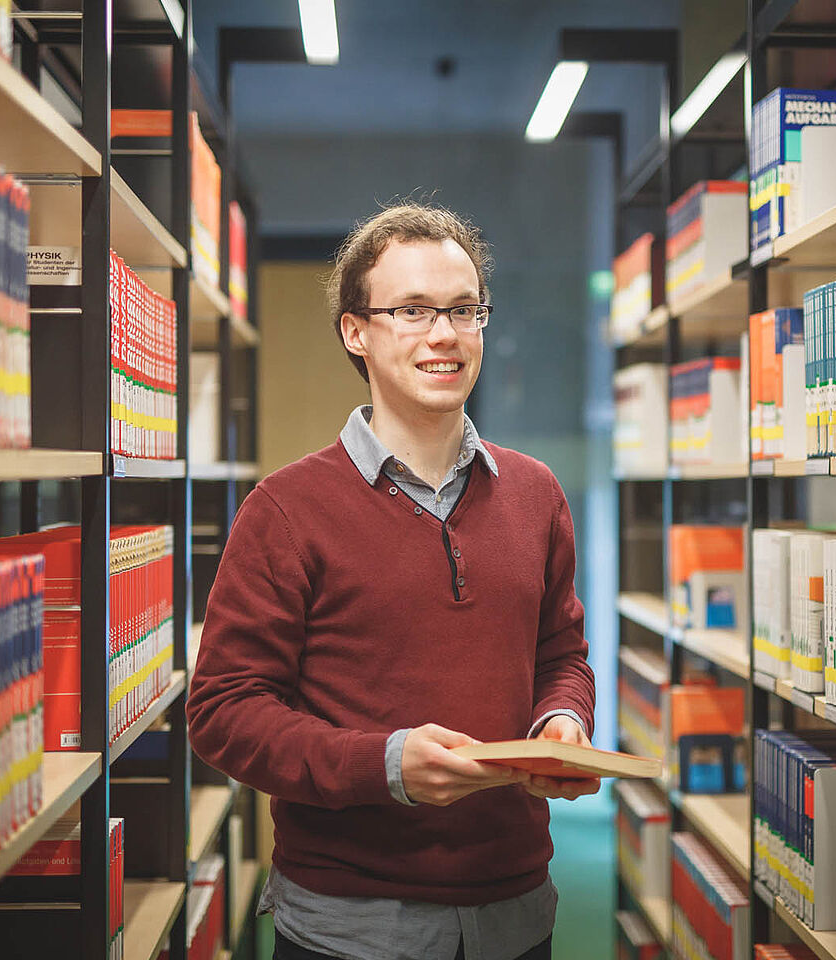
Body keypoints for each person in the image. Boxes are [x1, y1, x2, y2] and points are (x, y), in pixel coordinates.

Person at [186, 202, 598, 960]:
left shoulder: (537, 494)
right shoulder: (285, 509)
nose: (444, 334)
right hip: (349, 927)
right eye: (412, 310)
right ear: (356, 331)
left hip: (519, 913)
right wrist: (384, 766)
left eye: (464, 310)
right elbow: (223, 712)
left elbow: (561, 655)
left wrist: (559, 725)